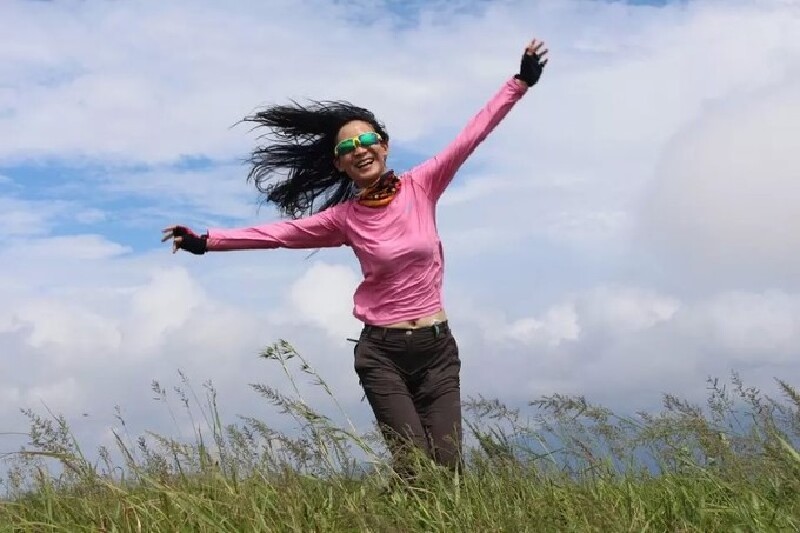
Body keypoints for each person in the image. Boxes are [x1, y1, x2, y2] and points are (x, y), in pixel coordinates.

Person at [162, 38, 549, 481]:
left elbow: (471, 135)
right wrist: (205, 242)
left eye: (367, 140)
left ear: (384, 147)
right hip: (382, 353)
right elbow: (278, 235)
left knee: (449, 468)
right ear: (341, 164)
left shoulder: (422, 186)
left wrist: (518, 83)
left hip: (438, 350)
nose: (359, 149)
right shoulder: (344, 219)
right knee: (414, 467)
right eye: (348, 148)